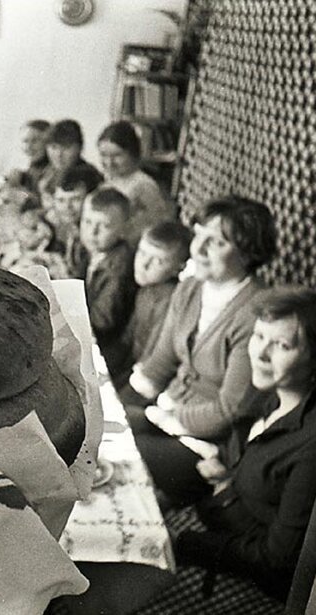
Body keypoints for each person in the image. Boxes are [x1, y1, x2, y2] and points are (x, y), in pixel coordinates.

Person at [135, 287, 316, 612]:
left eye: (283, 345)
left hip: (249, 582)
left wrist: (188, 542)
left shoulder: (310, 448)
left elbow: (276, 560)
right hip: (213, 522)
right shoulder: (267, 392)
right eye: (259, 336)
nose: (260, 354)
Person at [124, 196, 277, 506]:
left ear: (248, 253)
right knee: (94, 429)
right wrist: (114, 406)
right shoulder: (191, 287)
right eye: (199, 234)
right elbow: (161, 363)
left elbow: (229, 411)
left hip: (211, 446)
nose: (200, 248)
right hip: (166, 415)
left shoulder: (256, 312)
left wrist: (168, 415)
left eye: (217, 242)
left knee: (117, 460)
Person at [110, 221, 192, 388]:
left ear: (179, 268)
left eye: (158, 261)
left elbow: (149, 362)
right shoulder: (147, 289)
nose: (143, 265)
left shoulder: (169, 302)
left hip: (148, 382)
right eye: (142, 253)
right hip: (130, 367)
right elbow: (126, 341)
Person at [68, 187, 137, 376]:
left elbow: (101, 322)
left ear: (124, 229)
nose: (92, 232)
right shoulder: (95, 250)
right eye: (87, 222)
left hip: (106, 351)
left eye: (104, 226)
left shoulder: (118, 268)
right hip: (87, 330)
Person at [97, 120, 174, 245]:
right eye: (104, 155)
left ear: (133, 153)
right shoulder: (109, 182)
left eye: (117, 155)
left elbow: (156, 227)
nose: (109, 162)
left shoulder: (143, 185)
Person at [42, 163, 104, 254]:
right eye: (61, 200)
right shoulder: (54, 228)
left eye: (75, 199)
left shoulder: (97, 234)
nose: (67, 206)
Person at [44, 119, 103, 196]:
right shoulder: (46, 172)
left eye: (66, 147)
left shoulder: (89, 176)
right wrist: (26, 195)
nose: (59, 154)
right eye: (54, 147)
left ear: (80, 148)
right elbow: (28, 195)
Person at [5, 118, 52, 198]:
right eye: (25, 141)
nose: (29, 147)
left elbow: (40, 202)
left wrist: (18, 190)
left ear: (49, 142)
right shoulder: (34, 166)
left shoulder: (52, 171)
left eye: (35, 141)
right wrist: (22, 177)